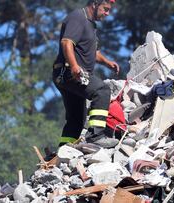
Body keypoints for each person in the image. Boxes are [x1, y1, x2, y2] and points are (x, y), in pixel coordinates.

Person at [53, 0, 120, 148]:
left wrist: (107, 62)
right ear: (95, 3)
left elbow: (94, 53)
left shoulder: (91, 25)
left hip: (71, 74)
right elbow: (66, 43)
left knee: (76, 118)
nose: (107, 14)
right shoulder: (78, 17)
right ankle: (96, 136)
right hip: (69, 73)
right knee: (101, 91)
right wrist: (74, 66)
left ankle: (64, 149)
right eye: (105, 9)